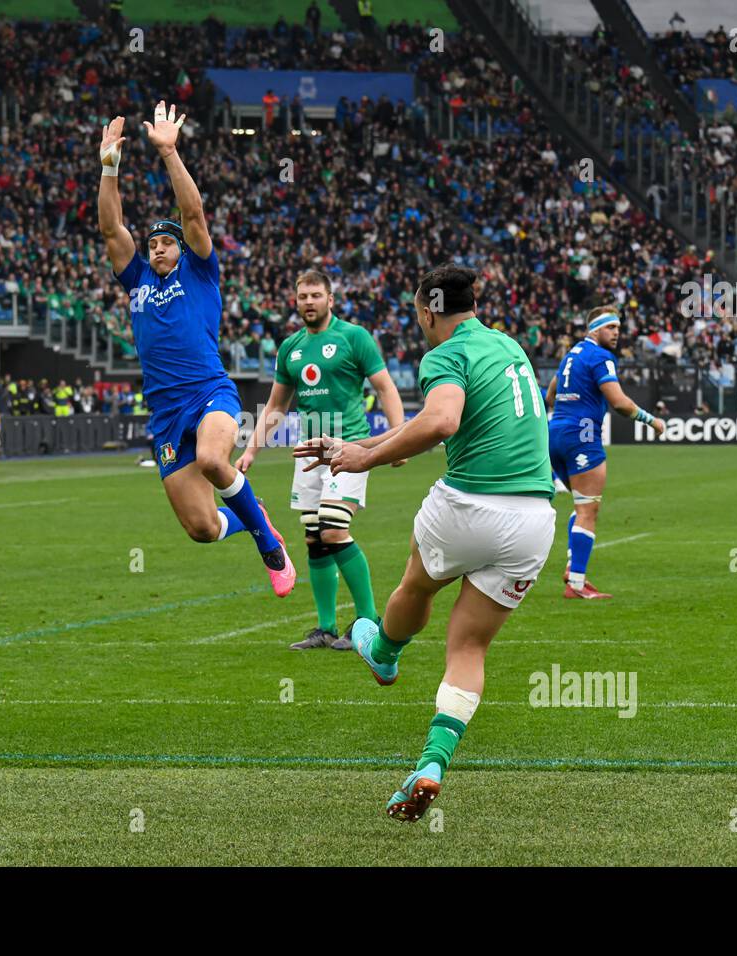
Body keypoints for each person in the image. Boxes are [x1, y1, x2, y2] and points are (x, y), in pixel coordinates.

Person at [293, 264, 555, 821]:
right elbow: (433, 422)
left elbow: (439, 421)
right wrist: (361, 441)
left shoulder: (444, 354)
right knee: (468, 648)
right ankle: (433, 763)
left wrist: (363, 458)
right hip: (534, 518)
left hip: (469, 506)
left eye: (418, 315)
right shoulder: (508, 347)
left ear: (428, 311)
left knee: (418, 582)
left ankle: (383, 653)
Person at [98, 101, 295, 597]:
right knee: (202, 528)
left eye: (167, 243)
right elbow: (110, 229)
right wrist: (109, 168)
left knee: (212, 459)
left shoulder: (199, 270)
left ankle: (267, 541)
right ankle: (250, 513)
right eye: (153, 244)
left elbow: (194, 213)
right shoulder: (137, 279)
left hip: (210, 393)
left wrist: (168, 153)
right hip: (165, 413)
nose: (159, 248)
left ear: (181, 248)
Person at [238, 269, 405, 650]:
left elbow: (385, 387)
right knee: (315, 538)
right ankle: (326, 628)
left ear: (331, 299)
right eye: (302, 296)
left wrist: (398, 438)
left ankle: (369, 620)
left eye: (315, 295)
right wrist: (250, 449)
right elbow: (277, 405)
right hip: (309, 452)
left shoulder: (354, 337)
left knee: (332, 529)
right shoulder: (291, 348)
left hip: (349, 447)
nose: (308, 302)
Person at [544, 306, 664, 599]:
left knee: (580, 504)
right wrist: (652, 421)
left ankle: (573, 568)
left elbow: (550, 395)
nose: (617, 334)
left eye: (619, 329)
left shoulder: (572, 354)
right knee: (589, 509)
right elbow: (619, 403)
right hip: (582, 436)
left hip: (555, 433)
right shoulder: (600, 357)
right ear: (595, 329)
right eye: (611, 328)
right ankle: (576, 584)